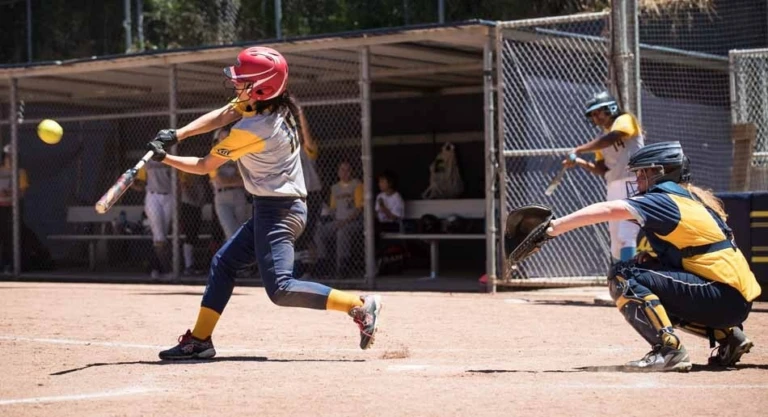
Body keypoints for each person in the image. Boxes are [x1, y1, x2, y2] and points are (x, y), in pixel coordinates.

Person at [145, 46, 382, 360]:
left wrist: (165, 157)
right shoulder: (269, 105)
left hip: (280, 212)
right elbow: (227, 112)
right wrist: (179, 133)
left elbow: (204, 166)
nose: (235, 85)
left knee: (281, 289)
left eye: (243, 81)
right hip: (275, 207)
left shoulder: (254, 130)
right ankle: (200, 340)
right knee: (224, 263)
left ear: (260, 88)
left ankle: (360, 307)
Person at [545, 141, 760, 371]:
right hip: (732, 300)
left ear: (660, 172)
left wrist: (553, 228)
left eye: (641, 173)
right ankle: (729, 337)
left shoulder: (664, 200)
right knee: (651, 289)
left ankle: (669, 351)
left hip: (722, 295)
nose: (637, 180)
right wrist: (661, 262)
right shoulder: (688, 200)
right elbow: (698, 256)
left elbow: (608, 210)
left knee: (623, 275)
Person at [564, 91, 644, 264]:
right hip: (613, 186)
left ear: (611, 108)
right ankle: (619, 279)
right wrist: (578, 161)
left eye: (598, 111)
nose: (596, 117)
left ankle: (630, 281)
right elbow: (602, 169)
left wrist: (578, 149)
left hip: (634, 181)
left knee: (626, 234)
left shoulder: (625, 120)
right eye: (593, 114)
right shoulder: (601, 140)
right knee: (615, 238)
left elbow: (611, 138)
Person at [313, 160, 364, 276]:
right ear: (338, 172)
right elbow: (332, 209)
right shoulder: (334, 188)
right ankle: (322, 265)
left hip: (354, 221)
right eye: (342, 170)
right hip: (338, 221)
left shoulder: (357, 185)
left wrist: (345, 221)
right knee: (319, 232)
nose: (345, 173)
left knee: (342, 232)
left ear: (352, 172)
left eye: (348, 170)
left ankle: (342, 266)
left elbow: (359, 209)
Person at [133, 159, 173, 279]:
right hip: (153, 196)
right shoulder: (147, 160)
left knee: (163, 235)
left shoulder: (173, 157)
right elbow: (140, 184)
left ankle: (157, 268)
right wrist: (130, 182)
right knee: (159, 237)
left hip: (169, 196)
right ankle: (165, 269)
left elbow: (179, 182)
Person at [208, 128, 249, 239]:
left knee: (240, 232)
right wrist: (235, 180)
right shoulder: (212, 158)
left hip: (238, 196)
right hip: (222, 198)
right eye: (223, 138)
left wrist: (229, 181)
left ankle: (238, 256)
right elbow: (219, 181)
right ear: (217, 141)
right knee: (231, 233)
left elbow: (245, 180)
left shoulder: (238, 156)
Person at [180, 171, 208, 276]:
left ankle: (192, 265)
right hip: (188, 205)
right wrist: (194, 199)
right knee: (190, 235)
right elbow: (184, 187)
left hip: (197, 206)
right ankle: (188, 266)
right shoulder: (186, 173)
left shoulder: (200, 174)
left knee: (194, 235)